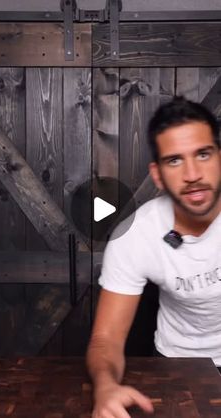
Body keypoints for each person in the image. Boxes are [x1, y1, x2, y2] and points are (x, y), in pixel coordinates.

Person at [86, 96, 221, 418]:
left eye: (203, 154)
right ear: (157, 175)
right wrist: (105, 387)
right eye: (174, 160)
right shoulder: (135, 234)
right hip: (176, 364)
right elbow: (105, 339)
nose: (192, 174)